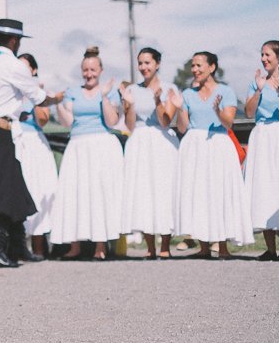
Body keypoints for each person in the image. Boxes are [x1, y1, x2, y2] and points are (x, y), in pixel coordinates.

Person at [0, 19, 63, 268]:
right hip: (1, 132)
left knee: (10, 187)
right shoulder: (13, 65)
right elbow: (39, 98)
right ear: (14, 41)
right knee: (3, 190)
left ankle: (17, 245)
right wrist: (57, 99)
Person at [171, 52, 254, 258]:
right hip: (194, 145)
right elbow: (182, 127)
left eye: (199, 65)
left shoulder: (226, 91)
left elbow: (228, 123)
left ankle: (223, 247)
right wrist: (180, 107)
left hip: (218, 143)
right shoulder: (188, 94)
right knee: (198, 192)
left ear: (212, 67)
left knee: (219, 191)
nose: (195, 70)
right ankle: (204, 246)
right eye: (193, 66)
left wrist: (217, 110)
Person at [50, 47, 124, 261]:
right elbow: (68, 122)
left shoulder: (108, 90)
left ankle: (100, 245)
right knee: (75, 193)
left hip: (101, 144)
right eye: (85, 70)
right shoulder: (73, 91)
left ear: (100, 70)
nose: (89, 74)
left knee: (99, 194)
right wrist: (57, 105)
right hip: (78, 146)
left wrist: (104, 97)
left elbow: (112, 121)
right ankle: (75, 244)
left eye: (93, 69)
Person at [120, 48, 178, 259]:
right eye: (141, 63)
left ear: (157, 63)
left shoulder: (170, 88)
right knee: (143, 191)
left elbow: (166, 121)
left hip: (162, 142)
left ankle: (165, 245)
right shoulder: (132, 90)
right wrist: (128, 105)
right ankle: (150, 246)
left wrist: (157, 101)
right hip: (140, 141)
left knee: (163, 190)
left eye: (147, 63)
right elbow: (130, 125)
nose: (144, 67)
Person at [17, 54, 58, 260]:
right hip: (16, 140)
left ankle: (40, 244)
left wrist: (36, 96)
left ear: (33, 71)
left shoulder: (39, 92)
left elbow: (42, 120)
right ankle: (18, 244)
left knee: (39, 188)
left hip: (35, 142)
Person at [245, 40, 279, 260]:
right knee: (264, 187)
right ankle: (270, 249)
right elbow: (248, 112)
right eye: (262, 55)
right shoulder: (257, 82)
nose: (263, 59)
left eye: (267, 55)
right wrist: (258, 90)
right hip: (262, 135)